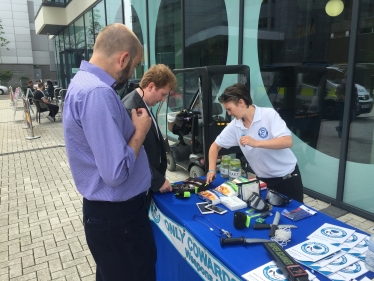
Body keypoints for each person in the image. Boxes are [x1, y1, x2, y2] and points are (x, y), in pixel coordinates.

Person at [63, 23, 156, 281]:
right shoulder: (97, 93)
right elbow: (116, 173)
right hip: (120, 219)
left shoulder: (83, 84)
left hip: (109, 218)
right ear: (123, 58)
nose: (132, 71)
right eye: (134, 65)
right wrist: (139, 131)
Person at [206, 83, 304, 203]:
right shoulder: (235, 126)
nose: (229, 113)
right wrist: (211, 170)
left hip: (287, 179)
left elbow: (287, 141)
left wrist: (256, 143)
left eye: (229, 109)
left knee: (296, 216)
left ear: (241, 102)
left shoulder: (268, 115)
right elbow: (215, 146)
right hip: (263, 181)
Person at [122, 64, 177, 208]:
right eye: (163, 94)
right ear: (151, 86)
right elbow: (135, 154)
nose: (163, 99)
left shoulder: (142, 103)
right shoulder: (132, 109)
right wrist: (158, 181)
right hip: (141, 189)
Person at [335, 72, 358, 138]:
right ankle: (341, 133)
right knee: (343, 118)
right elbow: (338, 92)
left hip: (351, 103)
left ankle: (340, 128)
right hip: (343, 103)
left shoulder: (352, 82)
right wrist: (345, 98)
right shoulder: (344, 82)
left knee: (351, 117)